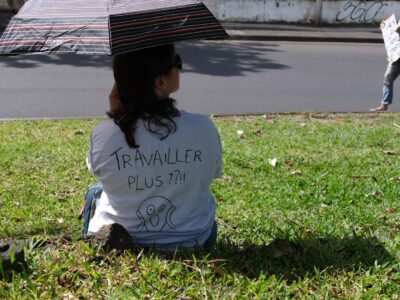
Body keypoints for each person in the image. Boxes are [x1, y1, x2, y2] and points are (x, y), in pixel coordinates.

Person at [84, 44, 222, 251]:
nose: (180, 68)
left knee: (94, 191)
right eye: (178, 63)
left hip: (119, 240)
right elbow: (211, 174)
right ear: (161, 81)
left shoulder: (103, 133)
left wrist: (114, 122)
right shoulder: (204, 128)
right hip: (194, 240)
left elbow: (99, 171)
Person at [370, 25, 400, 112]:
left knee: (388, 79)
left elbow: (397, 30)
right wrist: (386, 26)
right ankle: (384, 104)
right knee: (388, 78)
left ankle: (384, 104)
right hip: (396, 55)